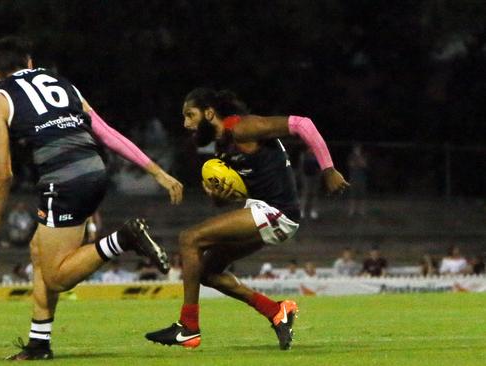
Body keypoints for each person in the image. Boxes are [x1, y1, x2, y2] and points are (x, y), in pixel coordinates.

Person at [0, 36, 183, 361]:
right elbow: (105, 132)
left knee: (56, 277)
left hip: (63, 181)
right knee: (39, 251)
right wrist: (156, 172)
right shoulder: (61, 83)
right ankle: (39, 343)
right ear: (29, 62)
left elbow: (3, 173)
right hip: (94, 171)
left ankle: (123, 238)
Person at [145, 88, 348, 350]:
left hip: (278, 212)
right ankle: (276, 311)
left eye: (190, 115)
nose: (186, 124)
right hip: (263, 211)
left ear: (209, 113)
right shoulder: (223, 146)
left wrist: (328, 170)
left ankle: (188, 327)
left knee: (189, 239)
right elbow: (233, 196)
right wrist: (218, 194)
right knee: (207, 273)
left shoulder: (243, 128)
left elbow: (302, 124)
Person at [299, 148, 321, 220]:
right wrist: (302, 176)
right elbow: (301, 167)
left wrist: (319, 175)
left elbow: (320, 167)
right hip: (306, 177)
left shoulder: (317, 156)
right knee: (305, 193)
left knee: (314, 194)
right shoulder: (304, 155)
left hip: (315, 176)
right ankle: (302, 211)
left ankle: (313, 211)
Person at [347, 143, 368, 217]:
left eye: (358, 149)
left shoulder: (363, 156)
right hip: (353, 178)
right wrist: (358, 162)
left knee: (361, 195)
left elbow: (364, 165)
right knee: (352, 195)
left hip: (361, 178)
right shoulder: (351, 156)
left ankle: (361, 211)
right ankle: (352, 210)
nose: (357, 150)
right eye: (356, 149)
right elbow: (351, 165)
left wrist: (358, 160)